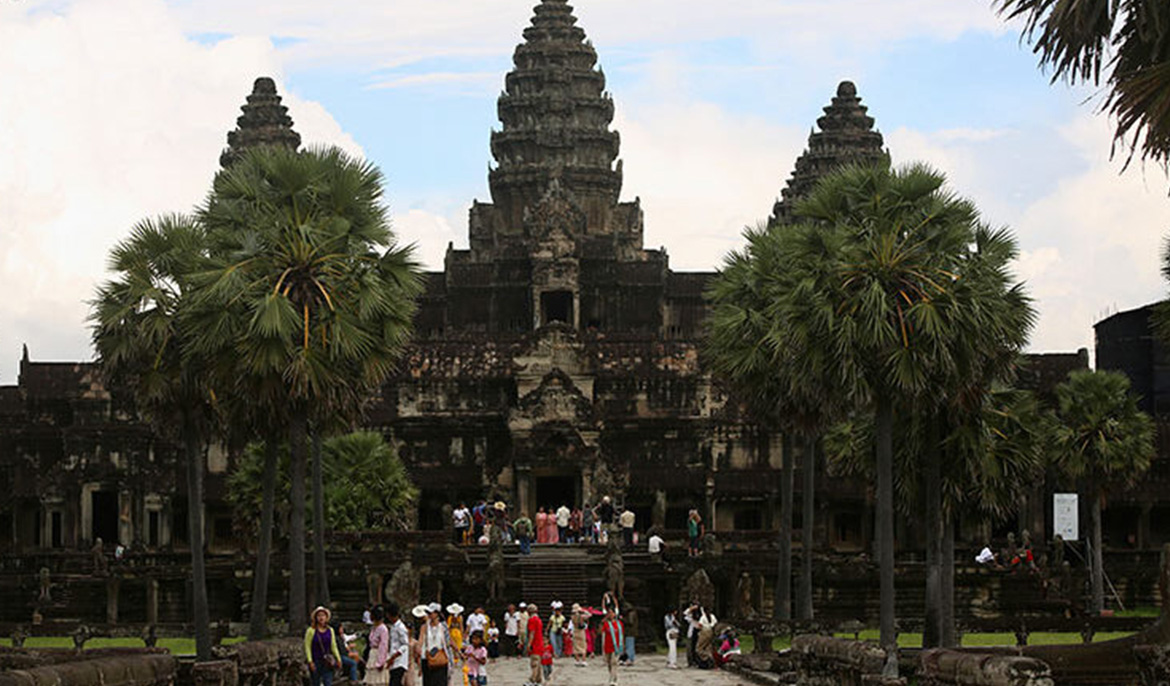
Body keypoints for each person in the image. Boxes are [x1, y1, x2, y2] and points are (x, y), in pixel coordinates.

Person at [304, 606, 343, 686]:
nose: (321, 618)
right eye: (319, 616)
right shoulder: (311, 631)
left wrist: (338, 658)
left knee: (327, 682)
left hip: (327, 661)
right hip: (316, 660)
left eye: (323, 615)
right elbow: (307, 646)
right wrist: (310, 661)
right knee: (316, 682)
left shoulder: (330, 630)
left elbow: (333, 645)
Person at [420, 604, 451, 686]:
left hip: (440, 657)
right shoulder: (424, 627)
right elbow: (421, 641)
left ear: (437, 613)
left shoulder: (443, 626)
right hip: (427, 658)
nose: (430, 615)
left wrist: (458, 652)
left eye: (431, 613)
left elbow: (448, 641)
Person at [387, 603, 410, 686]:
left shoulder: (401, 628)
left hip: (399, 660)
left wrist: (394, 656)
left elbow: (405, 644)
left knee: (395, 682)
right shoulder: (393, 627)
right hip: (394, 660)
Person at [366, 606, 391, 685]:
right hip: (372, 654)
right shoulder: (374, 628)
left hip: (378, 654)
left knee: (379, 680)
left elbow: (383, 645)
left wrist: (380, 662)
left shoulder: (383, 629)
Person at [601, 608, 623, 686]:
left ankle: (613, 679)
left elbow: (621, 636)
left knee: (614, 662)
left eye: (612, 613)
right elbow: (602, 634)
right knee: (609, 663)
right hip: (608, 646)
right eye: (609, 613)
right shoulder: (606, 624)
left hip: (616, 647)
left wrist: (622, 646)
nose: (610, 614)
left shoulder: (619, 624)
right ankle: (612, 675)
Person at [526, 603, 544, 685]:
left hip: (535, 644)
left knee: (534, 663)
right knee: (538, 663)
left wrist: (529, 644)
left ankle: (532, 680)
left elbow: (532, 633)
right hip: (540, 643)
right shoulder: (539, 620)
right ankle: (538, 679)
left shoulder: (532, 620)